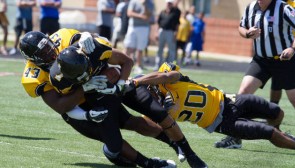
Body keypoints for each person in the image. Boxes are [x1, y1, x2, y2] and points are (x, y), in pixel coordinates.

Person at [19, 29, 177, 167]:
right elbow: (60, 106)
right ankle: (147, 163)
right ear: (33, 60)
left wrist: (88, 36)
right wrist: (85, 88)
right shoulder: (34, 76)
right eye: (43, 53)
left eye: (48, 46)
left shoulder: (63, 37)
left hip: (98, 89)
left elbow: (101, 46)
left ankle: (174, 143)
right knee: (111, 140)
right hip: (76, 107)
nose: (50, 52)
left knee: (129, 121)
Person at [50, 39, 208, 167]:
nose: (88, 74)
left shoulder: (94, 49)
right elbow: (65, 107)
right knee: (115, 144)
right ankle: (147, 163)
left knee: (158, 112)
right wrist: (87, 112)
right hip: (97, 98)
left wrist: (120, 84)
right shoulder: (59, 80)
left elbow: (127, 61)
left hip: (119, 84)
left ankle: (189, 153)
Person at [130, 62, 295, 166]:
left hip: (230, 101)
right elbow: (159, 126)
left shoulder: (167, 80)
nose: (148, 98)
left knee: (276, 112)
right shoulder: (156, 112)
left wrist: (137, 81)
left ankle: (281, 133)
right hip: (221, 122)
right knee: (267, 132)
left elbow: (170, 74)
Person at [215, 0, 295, 149]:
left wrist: (293, 48)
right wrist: (247, 34)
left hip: (284, 60)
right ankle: (235, 138)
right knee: (242, 95)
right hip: (261, 61)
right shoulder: (251, 8)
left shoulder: (283, 8)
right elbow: (241, 27)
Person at [124, 0, 153, 74]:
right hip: (132, 27)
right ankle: (123, 64)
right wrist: (140, 16)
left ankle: (138, 66)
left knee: (140, 49)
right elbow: (129, 13)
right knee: (128, 47)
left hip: (144, 28)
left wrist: (144, 5)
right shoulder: (133, 1)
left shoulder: (150, 3)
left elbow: (148, 16)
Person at [154, 0, 180, 70]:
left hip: (170, 32)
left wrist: (176, 33)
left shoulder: (175, 12)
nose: (169, 4)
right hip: (162, 31)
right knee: (160, 49)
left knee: (171, 49)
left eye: (170, 3)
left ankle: (170, 66)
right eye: (168, 3)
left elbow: (177, 24)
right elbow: (158, 23)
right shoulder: (162, 12)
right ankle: (157, 65)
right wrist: (156, 32)